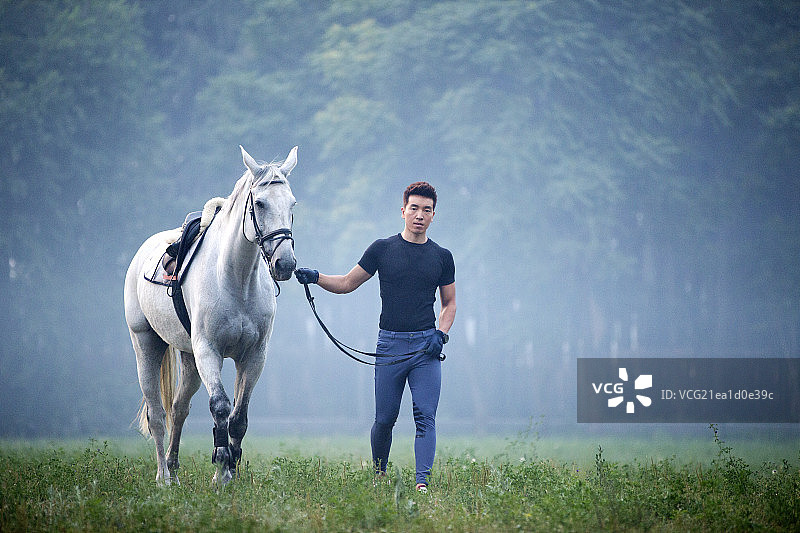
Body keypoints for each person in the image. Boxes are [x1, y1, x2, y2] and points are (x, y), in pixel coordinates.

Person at [295, 181, 456, 493]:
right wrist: (316, 278)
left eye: (426, 210)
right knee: (385, 418)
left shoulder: (442, 256)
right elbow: (346, 282)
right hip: (390, 344)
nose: (419, 215)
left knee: (425, 415)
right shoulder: (382, 249)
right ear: (403, 211)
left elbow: (449, 303)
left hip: (426, 347)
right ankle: (379, 475)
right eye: (414, 208)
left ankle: (422, 482)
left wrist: (441, 333)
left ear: (433, 215)